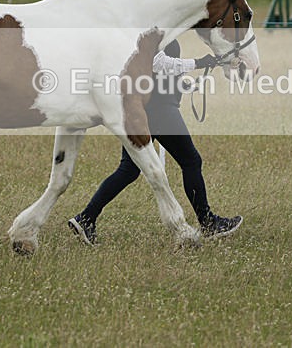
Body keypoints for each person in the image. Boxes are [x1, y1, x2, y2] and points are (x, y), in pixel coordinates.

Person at [68, 40, 243, 245]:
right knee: (191, 162)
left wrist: (184, 83)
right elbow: (158, 63)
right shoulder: (156, 31)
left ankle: (86, 218)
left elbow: (159, 74)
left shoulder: (163, 29)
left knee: (129, 170)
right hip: (158, 110)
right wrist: (198, 62)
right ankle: (208, 222)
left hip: (150, 107)